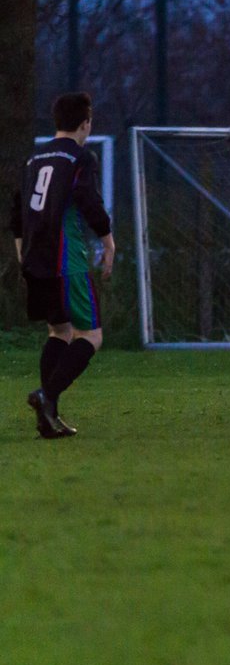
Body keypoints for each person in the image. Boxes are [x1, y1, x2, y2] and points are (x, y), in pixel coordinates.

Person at [9, 92, 116, 438]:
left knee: (60, 332)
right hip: (65, 260)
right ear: (86, 123)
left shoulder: (33, 159)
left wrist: (22, 254)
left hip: (34, 259)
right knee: (91, 335)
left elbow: (16, 213)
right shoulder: (79, 158)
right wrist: (108, 241)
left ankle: (48, 415)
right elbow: (87, 200)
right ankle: (47, 396)